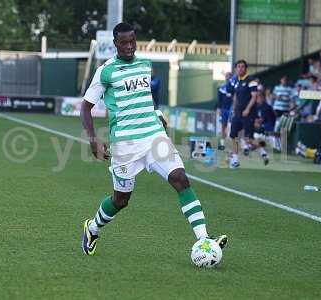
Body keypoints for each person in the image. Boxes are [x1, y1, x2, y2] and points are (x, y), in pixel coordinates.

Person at [80, 22, 227, 256]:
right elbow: (85, 107)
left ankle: (204, 239)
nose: (129, 47)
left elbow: (144, 98)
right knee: (121, 200)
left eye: (132, 41)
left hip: (153, 136)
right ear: (115, 44)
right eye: (123, 43)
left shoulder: (144, 65)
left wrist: (157, 113)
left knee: (180, 178)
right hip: (125, 145)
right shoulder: (105, 71)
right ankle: (93, 227)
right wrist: (93, 140)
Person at [227, 59, 269, 168]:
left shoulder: (251, 80)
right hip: (237, 113)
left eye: (242, 67)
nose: (240, 69)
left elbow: (254, 96)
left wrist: (247, 109)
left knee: (248, 139)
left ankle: (262, 151)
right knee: (233, 136)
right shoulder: (237, 81)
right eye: (238, 67)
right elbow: (236, 96)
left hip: (248, 114)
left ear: (246, 69)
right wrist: (234, 108)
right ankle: (235, 160)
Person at [217, 72, 233, 150]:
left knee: (231, 126)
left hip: (232, 109)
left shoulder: (234, 87)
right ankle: (222, 143)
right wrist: (219, 109)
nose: (228, 78)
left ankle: (231, 144)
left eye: (229, 76)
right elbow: (219, 100)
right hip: (224, 109)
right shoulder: (222, 88)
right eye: (227, 76)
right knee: (223, 125)